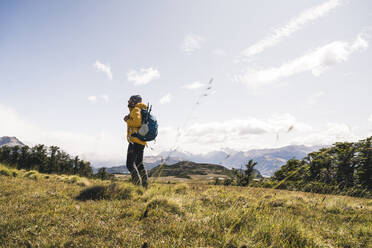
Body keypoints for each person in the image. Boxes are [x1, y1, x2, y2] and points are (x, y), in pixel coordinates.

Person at [124, 95, 148, 187]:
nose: (128, 102)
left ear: (134, 101)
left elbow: (137, 123)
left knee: (130, 164)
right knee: (139, 164)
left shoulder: (136, 109)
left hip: (135, 140)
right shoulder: (141, 110)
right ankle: (145, 186)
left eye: (130, 101)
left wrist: (127, 120)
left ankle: (137, 186)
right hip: (141, 141)